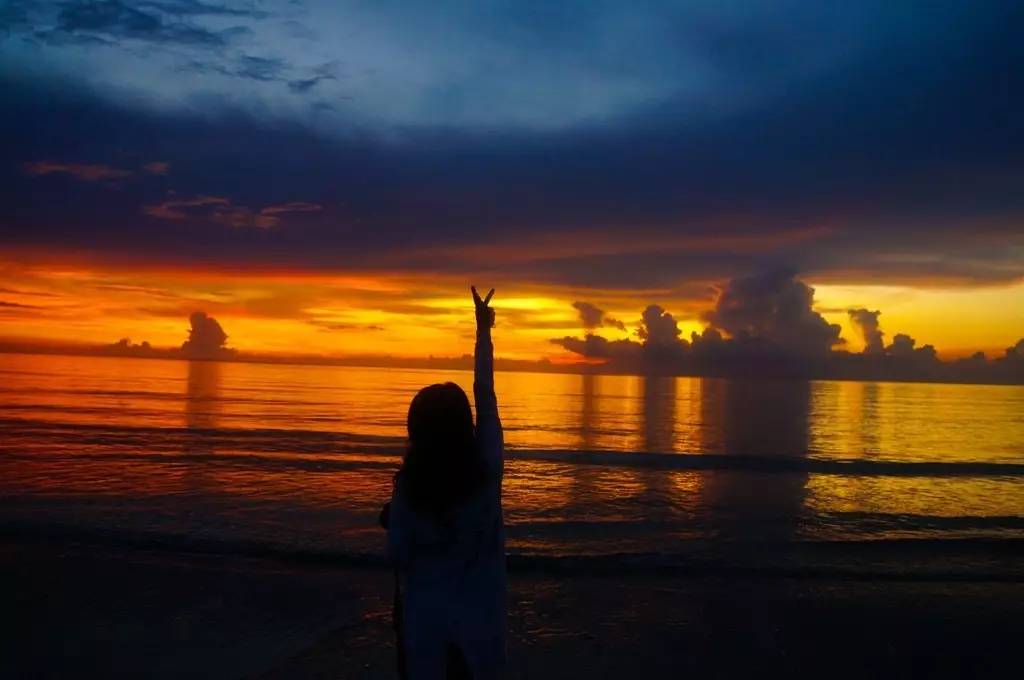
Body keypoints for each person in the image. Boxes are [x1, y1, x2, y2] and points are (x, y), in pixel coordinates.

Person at [384, 286, 506, 680]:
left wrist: (395, 521)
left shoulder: (408, 490)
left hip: (426, 629)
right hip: (479, 626)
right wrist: (483, 331)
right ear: (464, 426)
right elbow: (486, 396)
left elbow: (398, 555)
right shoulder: (485, 473)